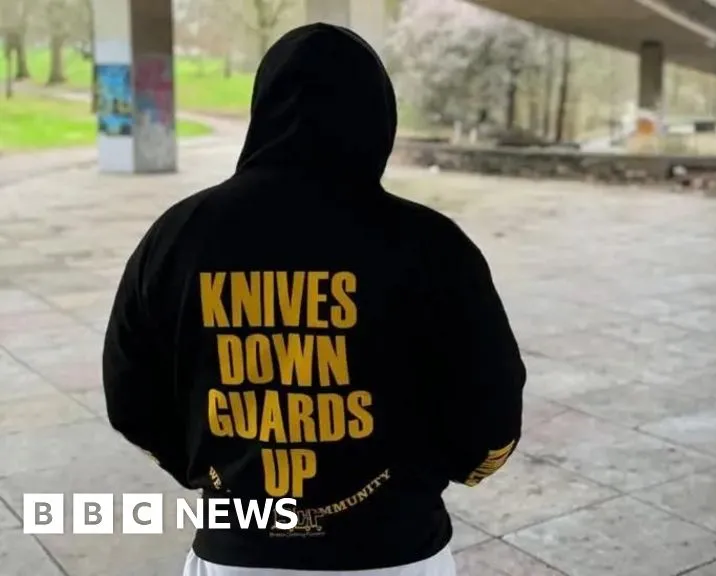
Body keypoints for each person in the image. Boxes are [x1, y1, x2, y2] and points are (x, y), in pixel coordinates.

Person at [102, 23, 526, 576]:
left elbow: (130, 391)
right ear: (378, 116)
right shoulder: (433, 245)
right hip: (396, 551)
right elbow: (492, 404)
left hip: (239, 552)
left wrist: (209, 473)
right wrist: (426, 478)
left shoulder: (179, 235)